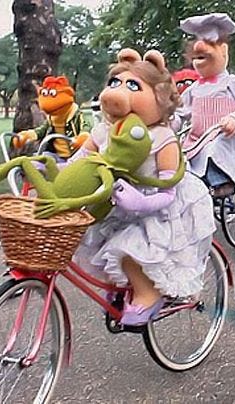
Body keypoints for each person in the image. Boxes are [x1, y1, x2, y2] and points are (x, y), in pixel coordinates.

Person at [72, 48, 215, 326]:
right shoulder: (105, 131)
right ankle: (122, 287)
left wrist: (142, 202)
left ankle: (148, 295)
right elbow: (80, 160)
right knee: (98, 243)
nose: (118, 91)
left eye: (133, 86)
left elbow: (168, 189)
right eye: (115, 83)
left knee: (129, 251)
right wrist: (55, 169)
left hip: (157, 208)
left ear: (159, 97)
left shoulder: (162, 137)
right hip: (116, 201)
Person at [171, 13, 235, 197]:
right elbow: (181, 112)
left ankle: (221, 182)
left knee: (214, 149)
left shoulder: (231, 82)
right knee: (178, 156)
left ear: (224, 51)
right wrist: (169, 123)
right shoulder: (194, 89)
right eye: (197, 56)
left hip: (226, 137)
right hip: (197, 138)